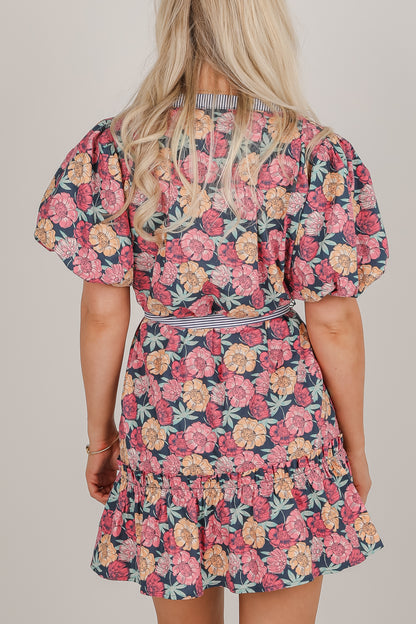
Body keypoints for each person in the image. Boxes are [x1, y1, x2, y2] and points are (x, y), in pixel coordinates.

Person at [33, 1, 390, 622]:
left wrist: (100, 440)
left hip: (167, 416)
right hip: (281, 423)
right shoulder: (313, 152)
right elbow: (333, 320)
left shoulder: (120, 146)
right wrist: (353, 450)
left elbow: (102, 313)